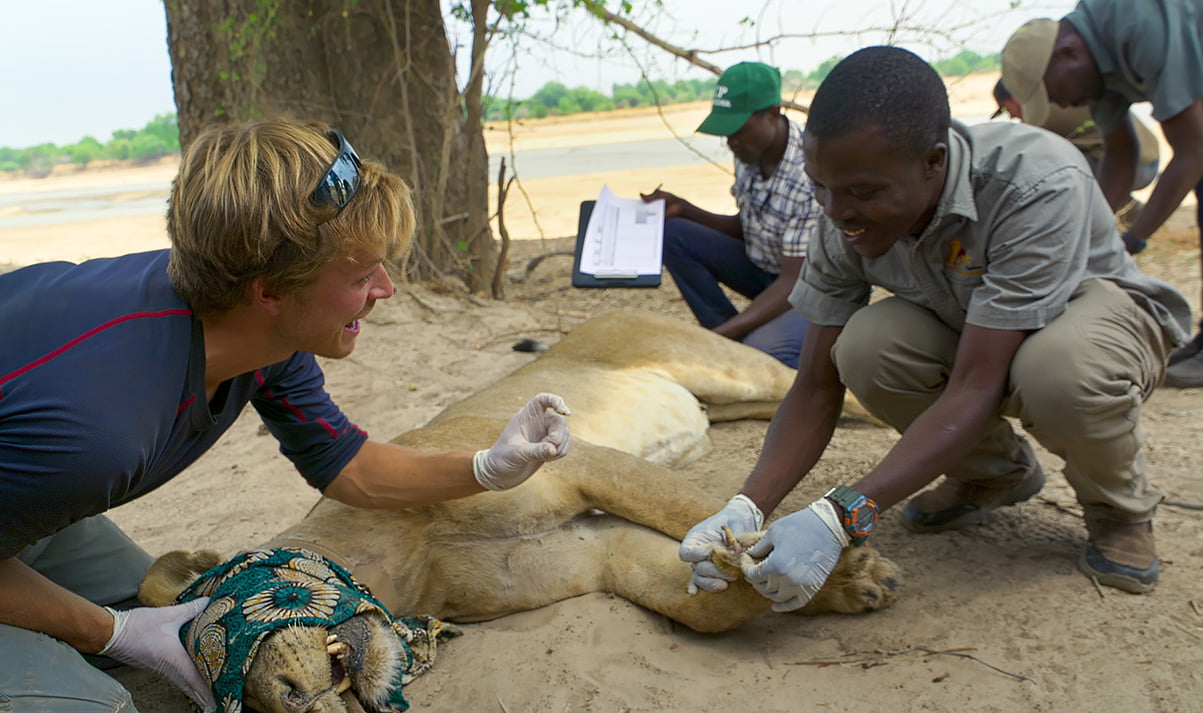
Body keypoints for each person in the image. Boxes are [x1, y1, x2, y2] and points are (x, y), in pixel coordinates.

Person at [0, 118, 571, 712]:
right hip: (42, 477)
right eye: (360, 276)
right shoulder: (97, 428)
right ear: (269, 291)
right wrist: (108, 632)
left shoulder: (259, 335)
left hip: (23, 503)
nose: (387, 289)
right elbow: (72, 451)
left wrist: (486, 468)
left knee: (182, 612)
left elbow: (348, 465)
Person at [678, 46, 1192, 614]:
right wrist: (747, 506)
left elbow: (977, 385)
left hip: (1095, 316)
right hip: (975, 323)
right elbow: (816, 386)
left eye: (864, 193)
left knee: (1057, 370)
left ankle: (1119, 512)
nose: (837, 211)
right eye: (821, 187)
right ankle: (991, 474)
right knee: (867, 346)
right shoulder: (842, 212)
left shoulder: (1034, 182)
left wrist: (842, 515)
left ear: (933, 161)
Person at [1003, 2, 1203, 387]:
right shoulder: (1093, 65)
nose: (1061, 106)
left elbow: (1193, 151)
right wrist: (1079, 233)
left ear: (1070, 54)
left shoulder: (1139, 24)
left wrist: (1131, 239)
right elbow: (1121, 155)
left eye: (1054, 93)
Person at [640, 61, 818, 368]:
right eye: (726, 131)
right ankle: (730, 341)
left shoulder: (809, 172)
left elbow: (793, 282)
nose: (730, 141)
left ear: (773, 114)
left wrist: (719, 337)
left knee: (764, 353)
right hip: (767, 269)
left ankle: (735, 341)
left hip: (811, 290)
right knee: (675, 232)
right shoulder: (750, 152)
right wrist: (685, 209)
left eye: (738, 129)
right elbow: (749, 228)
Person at [993, 22, 1161, 231]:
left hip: (1139, 165)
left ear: (1014, 99)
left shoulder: (1057, 105)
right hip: (1141, 160)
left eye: (1007, 110)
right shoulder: (1086, 83)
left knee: (1050, 166)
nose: (1011, 117)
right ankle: (1126, 209)